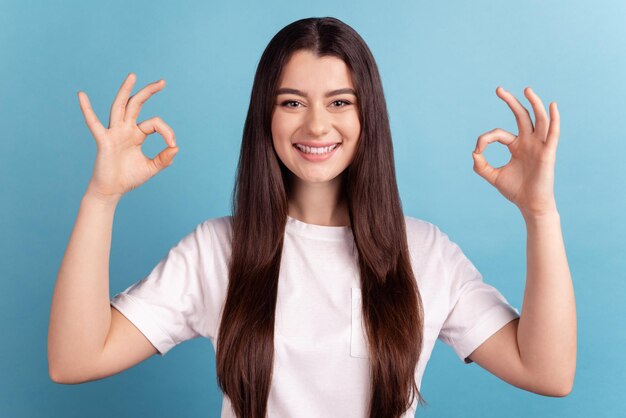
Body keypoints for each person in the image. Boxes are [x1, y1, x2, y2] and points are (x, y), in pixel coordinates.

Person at [48, 16, 576, 418]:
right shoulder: (217, 250)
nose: (317, 125)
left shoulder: (426, 252)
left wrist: (540, 213)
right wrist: (101, 197)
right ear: (267, 116)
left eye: (340, 102)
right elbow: (75, 360)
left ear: (368, 114)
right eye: (292, 102)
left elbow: (548, 372)